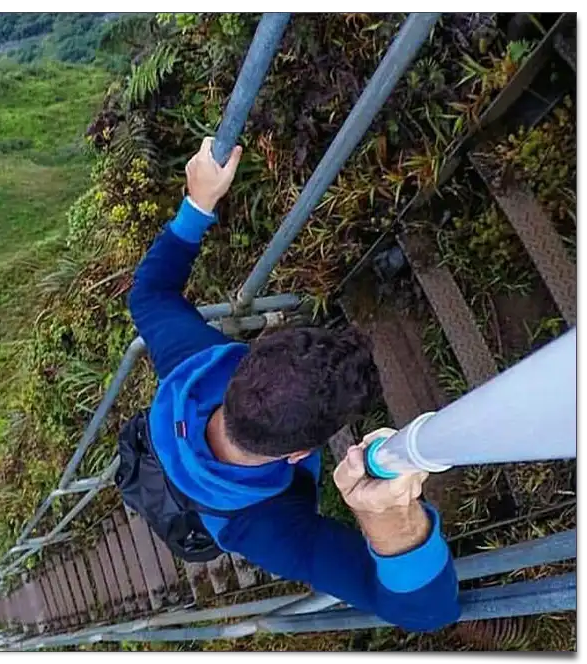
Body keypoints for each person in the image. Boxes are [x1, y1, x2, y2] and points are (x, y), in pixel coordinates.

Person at [126, 137, 460, 632]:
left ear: (243, 368)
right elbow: (427, 614)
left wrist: (200, 201)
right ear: (297, 456)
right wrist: (391, 519)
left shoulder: (194, 368)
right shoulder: (260, 529)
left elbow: (149, 295)